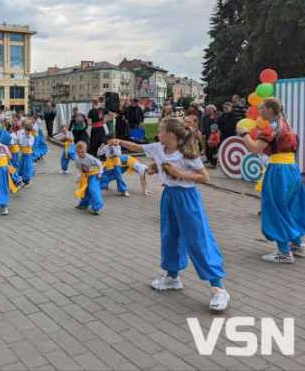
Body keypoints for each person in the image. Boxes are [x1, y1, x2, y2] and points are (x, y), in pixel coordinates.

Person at [118, 118, 230, 311]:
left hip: (188, 197)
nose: (158, 134)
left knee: (197, 239)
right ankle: (172, 276)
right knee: (170, 236)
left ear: (170, 134)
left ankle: (218, 287)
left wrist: (181, 174)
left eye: (160, 131)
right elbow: (137, 146)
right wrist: (119, 142)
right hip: (169, 196)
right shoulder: (158, 148)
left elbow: (204, 176)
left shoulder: (186, 154)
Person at [237, 96, 305, 263]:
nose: (259, 111)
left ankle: (283, 252)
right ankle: (297, 243)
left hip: (278, 171)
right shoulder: (285, 125)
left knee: (275, 208)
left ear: (269, 110)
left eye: (262, 108)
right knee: (290, 206)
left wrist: (244, 133)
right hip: (292, 169)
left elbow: (253, 149)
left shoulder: (272, 128)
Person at [74, 141, 103, 215]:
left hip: (94, 175)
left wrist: (100, 172)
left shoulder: (90, 158)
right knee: (85, 189)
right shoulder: (77, 159)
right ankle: (84, 204)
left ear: (86, 150)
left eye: (82, 152)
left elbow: (99, 164)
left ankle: (97, 207)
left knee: (93, 189)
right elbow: (79, 169)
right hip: (85, 176)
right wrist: (79, 177)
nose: (80, 154)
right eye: (78, 152)